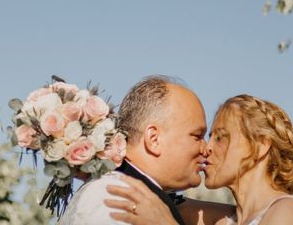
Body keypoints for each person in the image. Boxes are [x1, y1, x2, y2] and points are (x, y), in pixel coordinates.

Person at [106, 94, 293, 225]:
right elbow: (153, 194)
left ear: (261, 147)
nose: (206, 148)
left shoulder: (287, 212)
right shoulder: (222, 219)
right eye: (208, 137)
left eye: (221, 138)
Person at [60, 75, 211, 225]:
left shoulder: (136, 198)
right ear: (154, 138)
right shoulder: (115, 198)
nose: (207, 149)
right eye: (197, 136)